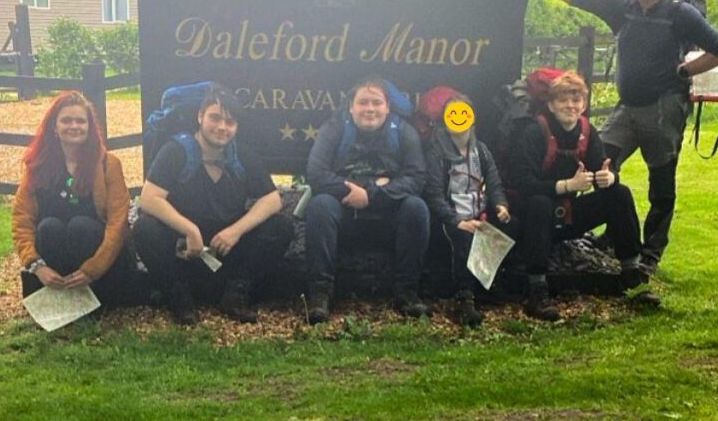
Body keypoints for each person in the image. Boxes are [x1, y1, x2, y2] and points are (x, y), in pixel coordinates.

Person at [537, 0, 718, 272]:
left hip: (662, 109)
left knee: (661, 182)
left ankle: (651, 254)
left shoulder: (680, 14)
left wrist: (684, 71)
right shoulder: (621, 7)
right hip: (626, 108)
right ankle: (613, 234)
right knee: (600, 165)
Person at [133, 84, 293, 325]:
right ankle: (179, 297)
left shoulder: (242, 155)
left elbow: (272, 200)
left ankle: (236, 294)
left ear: (237, 127)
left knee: (280, 226)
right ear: (200, 116)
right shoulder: (176, 151)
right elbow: (149, 198)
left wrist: (236, 231)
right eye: (215, 118)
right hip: (184, 247)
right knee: (145, 229)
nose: (222, 127)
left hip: (226, 246)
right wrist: (189, 229)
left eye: (230, 122)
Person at [512, 73, 653, 318]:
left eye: (576, 101)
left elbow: (602, 168)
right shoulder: (534, 131)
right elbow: (523, 184)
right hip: (532, 220)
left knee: (619, 194)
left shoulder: (588, 132)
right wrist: (568, 185)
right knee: (539, 203)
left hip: (568, 214)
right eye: (563, 101)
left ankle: (632, 272)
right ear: (551, 105)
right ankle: (537, 286)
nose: (570, 107)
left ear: (584, 105)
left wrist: (609, 178)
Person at [304, 78, 430, 324]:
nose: (369, 108)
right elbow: (316, 174)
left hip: (389, 217)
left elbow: (416, 177)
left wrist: (372, 195)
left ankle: (407, 292)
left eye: (376, 103)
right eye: (362, 102)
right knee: (320, 206)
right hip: (344, 214)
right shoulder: (334, 128)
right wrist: (358, 191)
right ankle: (320, 294)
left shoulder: (404, 132)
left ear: (387, 107)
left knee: (416, 207)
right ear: (350, 107)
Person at [12, 91, 133, 305]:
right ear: (54, 127)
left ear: (89, 127)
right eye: (66, 120)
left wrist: (93, 269)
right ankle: (62, 296)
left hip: (98, 259)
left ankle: (93, 297)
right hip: (54, 255)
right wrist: (37, 266)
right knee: (48, 226)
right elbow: (22, 220)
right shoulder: (37, 166)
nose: (74, 126)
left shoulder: (108, 164)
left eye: (80, 121)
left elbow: (118, 223)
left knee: (80, 226)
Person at [423, 92, 512, 328]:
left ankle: (489, 283)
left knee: (507, 226)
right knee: (462, 239)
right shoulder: (436, 152)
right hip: (449, 215)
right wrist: (456, 221)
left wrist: (501, 205)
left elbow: (493, 182)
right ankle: (464, 297)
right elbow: (433, 194)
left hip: (479, 210)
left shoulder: (481, 150)